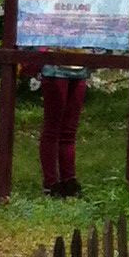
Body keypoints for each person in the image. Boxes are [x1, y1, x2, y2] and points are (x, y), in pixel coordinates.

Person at [39, 62, 90, 198]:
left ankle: (69, 181)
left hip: (79, 70)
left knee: (69, 131)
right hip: (55, 70)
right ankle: (51, 183)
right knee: (52, 128)